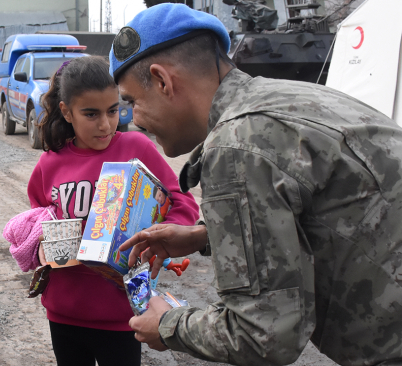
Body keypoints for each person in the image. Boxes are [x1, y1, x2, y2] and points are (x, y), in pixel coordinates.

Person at [113, 3, 402, 365]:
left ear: (161, 80)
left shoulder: (237, 145)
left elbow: (263, 334)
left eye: (132, 102)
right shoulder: (287, 98)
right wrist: (205, 236)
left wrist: (168, 325)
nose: (135, 120)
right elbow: (319, 209)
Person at [27, 55, 199, 366]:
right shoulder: (49, 164)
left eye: (112, 110)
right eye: (90, 114)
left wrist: (159, 235)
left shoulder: (137, 148)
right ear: (66, 111)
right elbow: (36, 223)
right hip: (64, 313)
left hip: (122, 313)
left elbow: (182, 202)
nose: (105, 124)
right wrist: (37, 247)